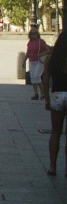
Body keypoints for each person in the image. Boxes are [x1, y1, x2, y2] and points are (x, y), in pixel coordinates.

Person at [41, 31, 67, 175]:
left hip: (57, 95)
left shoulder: (51, 59)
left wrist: (46, 98)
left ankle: (53, 166)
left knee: (56, 132)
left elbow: (45, 80)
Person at [27, 27, 51, 100]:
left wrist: (40, 55)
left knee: (37, 75)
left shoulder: (41, 42)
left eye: (35, 33)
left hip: (39, 61)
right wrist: (24, 61)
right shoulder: (30, 42)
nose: (33, 35)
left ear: (38, 34)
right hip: (31, 61)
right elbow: (28, 52)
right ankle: (36, 93)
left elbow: (48, 50)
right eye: (32, 34)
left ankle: (42, 92)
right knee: (33, 77)